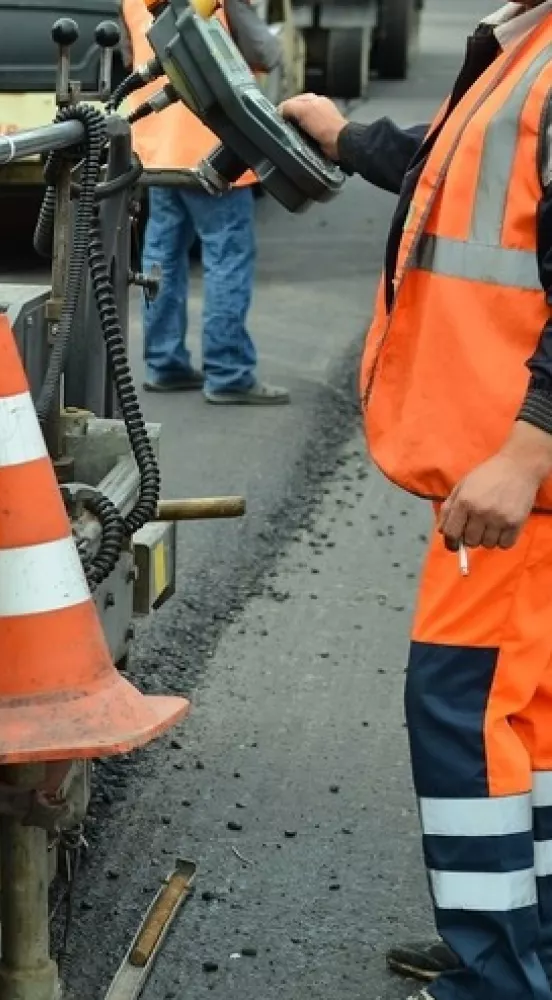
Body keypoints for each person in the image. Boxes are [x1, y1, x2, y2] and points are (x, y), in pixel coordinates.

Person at [281, 2, 552, 997]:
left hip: (515, 478)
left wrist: (527, 449)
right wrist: (348, 138)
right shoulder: (526, 41)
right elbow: (465, 175)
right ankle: (527, 943)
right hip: (526, 487)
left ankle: (494, 978)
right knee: (529, 725)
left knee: (463, 711)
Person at [122, 0, 291, 405]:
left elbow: (132, 56)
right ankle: (228, 371)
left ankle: (164, 363)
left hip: (159, 146)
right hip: (215, 149)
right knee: (226, 255)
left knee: (162, 253)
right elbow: (265, 54)